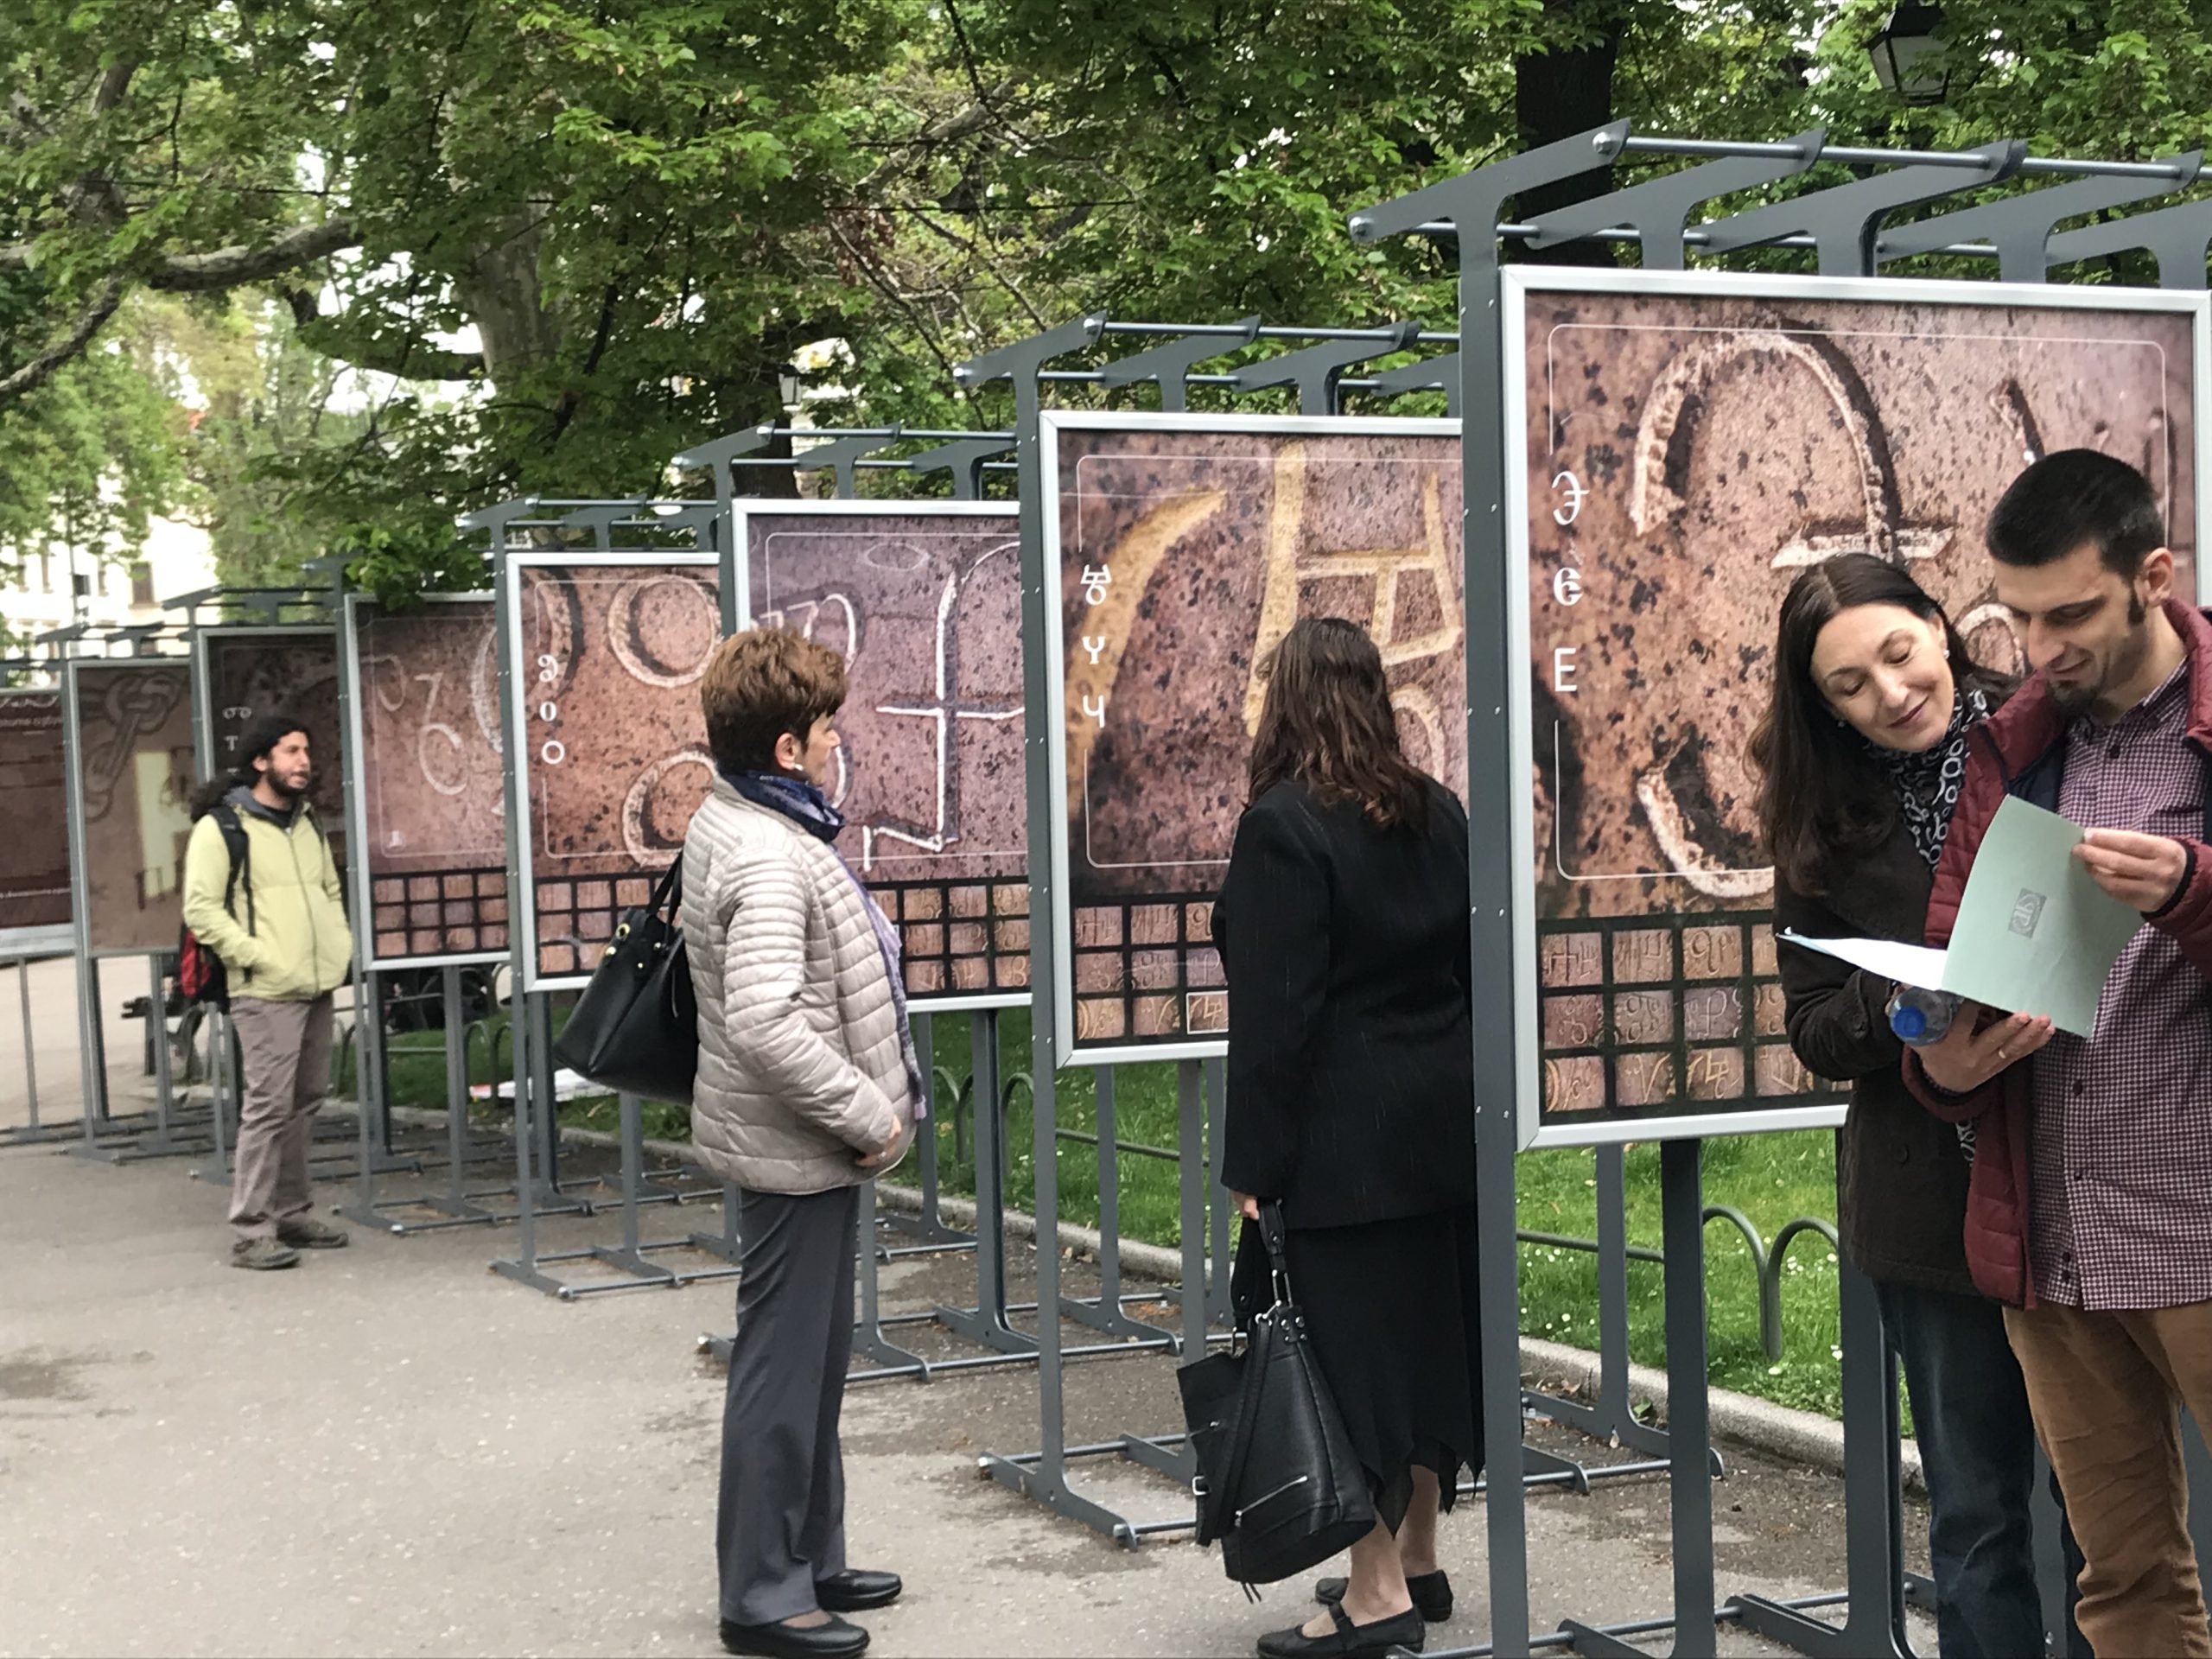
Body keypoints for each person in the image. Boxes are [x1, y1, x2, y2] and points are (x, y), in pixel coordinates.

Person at [1904, 449, 2212, 1658]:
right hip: (2057, 1240)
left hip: (2196, 1227)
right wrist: (1944, 1062)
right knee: (2122, 1582)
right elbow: (1955, 958)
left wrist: (2190, 890)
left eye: (2070, 614)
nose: (2040, 648)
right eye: (2018, 616)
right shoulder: (2014, 744)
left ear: (2154, 577)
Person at [1751, 554, 2082, 1657]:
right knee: (1976, 1518)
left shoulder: (2052, 743)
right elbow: (1811, 1027)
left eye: (1898, 654)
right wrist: (1906, 1007)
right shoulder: (1820, 816)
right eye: (1849, 686)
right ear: (1821, 705)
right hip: (1928, 1204)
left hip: (2082, 1175)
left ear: (1940, 626)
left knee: (2110, 1514)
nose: (1890, 694)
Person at [1213, 616, 1482, 1659]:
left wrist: (1253, 1166)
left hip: (1340, 1147)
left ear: (1283, 701)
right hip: (1441, 1127)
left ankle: (1375, 1599)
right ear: (1374, 697)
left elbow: (1276, 1022)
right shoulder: (1439, 811)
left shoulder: (1282, 825)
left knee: (1342, 1368)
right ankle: (1418, 1559)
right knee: (1423, 1351)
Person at [684, 627, 918, 1659]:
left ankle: (809, 1559)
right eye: (825, 727)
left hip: (794, 1147)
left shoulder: (743, 818)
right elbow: (765, 1021)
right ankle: (763, 1596)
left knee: (811, 1364)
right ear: (786, 747)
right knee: (783, 1371)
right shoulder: (771, 855)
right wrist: (868, 1114)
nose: (835, 741)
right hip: (796, 1149)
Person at [180, 713, 354, 1271]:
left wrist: (338, 946)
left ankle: (292, 1213)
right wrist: (257, 956)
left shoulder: (306, 823)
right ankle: (252, 1229)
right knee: (269, 1107)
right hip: (265, 990)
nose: (304, 761)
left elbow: (329, 890)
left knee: (305, 1101)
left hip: (317, 981)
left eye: (306, 751)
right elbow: (201, 909)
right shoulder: (222, 827)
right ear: (261, 761)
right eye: (290, 751)